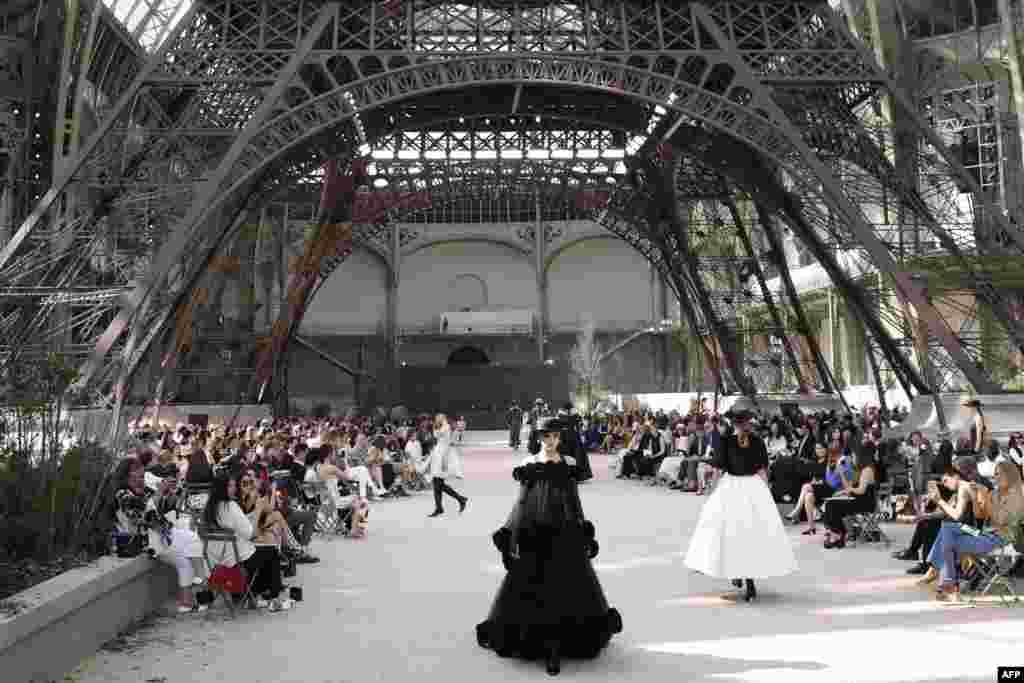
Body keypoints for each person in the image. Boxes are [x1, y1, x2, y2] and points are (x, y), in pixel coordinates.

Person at [476, 417, 622, 676]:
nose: (551, 441)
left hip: (565, 532)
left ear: (560, 438)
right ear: (539, 437)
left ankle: (558, 647)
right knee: (534, 588)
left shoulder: (570, 464)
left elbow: (574, 501)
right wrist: (511, 532)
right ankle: (544, 647)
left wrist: (583, 530)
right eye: (546, 436)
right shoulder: (528, 464)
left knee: (566, 588)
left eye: (555, 436)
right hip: (534, 533)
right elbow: (521, 502)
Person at [684, 410, 797, 602]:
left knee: (734, 533)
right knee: (747, 534)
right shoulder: (754, 441)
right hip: (750, 486)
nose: (744, 425)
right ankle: (744, 578)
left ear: (735, 424)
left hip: (735, 486)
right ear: (746, 424)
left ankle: (742, 577)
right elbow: (762, 469)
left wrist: (712, 490)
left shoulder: (729, 441)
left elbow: (720, 468)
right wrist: (766, 490)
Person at [427, 414, 469, 517]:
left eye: (438, 418)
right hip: (438, 454)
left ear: (442, 418)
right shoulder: (441, 426)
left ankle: (458, 500)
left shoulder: (445, 427)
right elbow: (437, 436)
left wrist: (444, 462)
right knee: (438, 484)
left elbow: (445, 442)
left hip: (442, 456)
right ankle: (443, 506)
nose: (436, 420)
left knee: (438, 484)